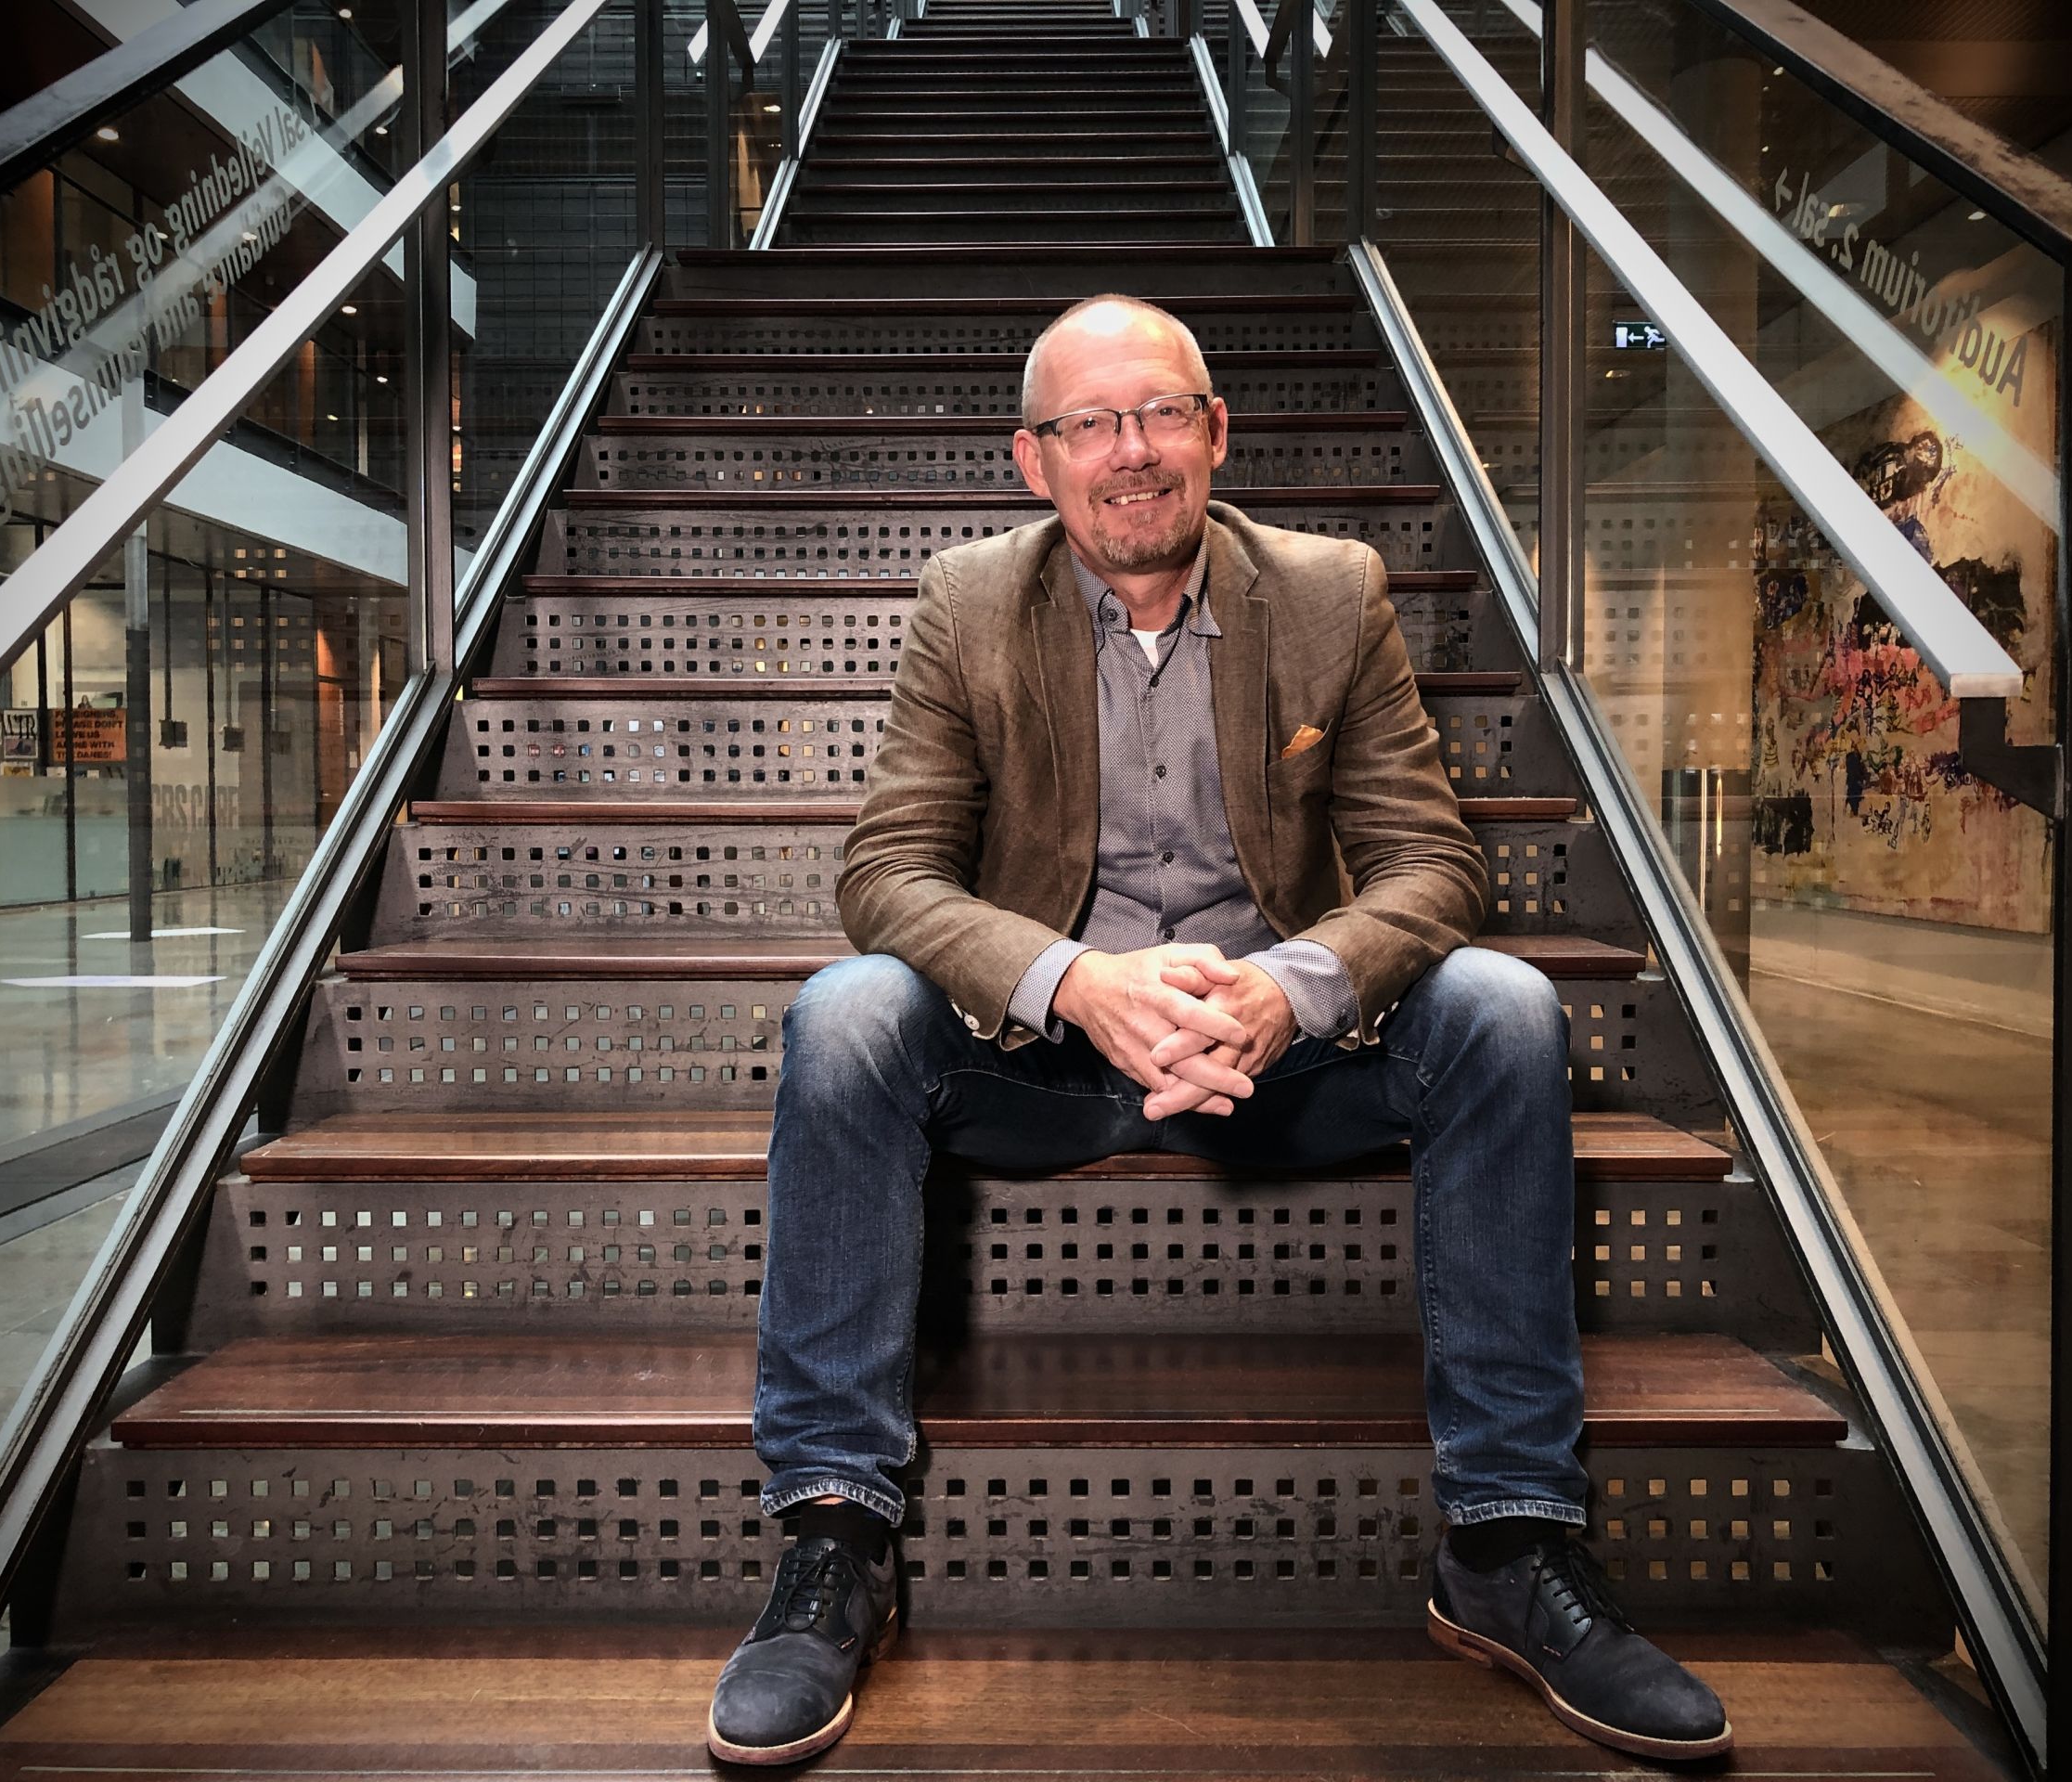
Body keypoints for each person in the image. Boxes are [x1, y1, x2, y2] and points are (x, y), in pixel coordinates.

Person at [705, 295, 1731, 1766]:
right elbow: (888, 872)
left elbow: (1434, 866)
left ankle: (1508, 1546)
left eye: (1163, 413)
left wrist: (1288, 988)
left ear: (1216, 433)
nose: (1133, 453)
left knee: (1501, 1007)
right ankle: (833, 1542)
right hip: (1047, 1059)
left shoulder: (1329, 591)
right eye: (1091, 426)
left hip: (1281, 1058)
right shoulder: (967, 601)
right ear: (1033, 462)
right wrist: (1076, 983)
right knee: (848, 1011)